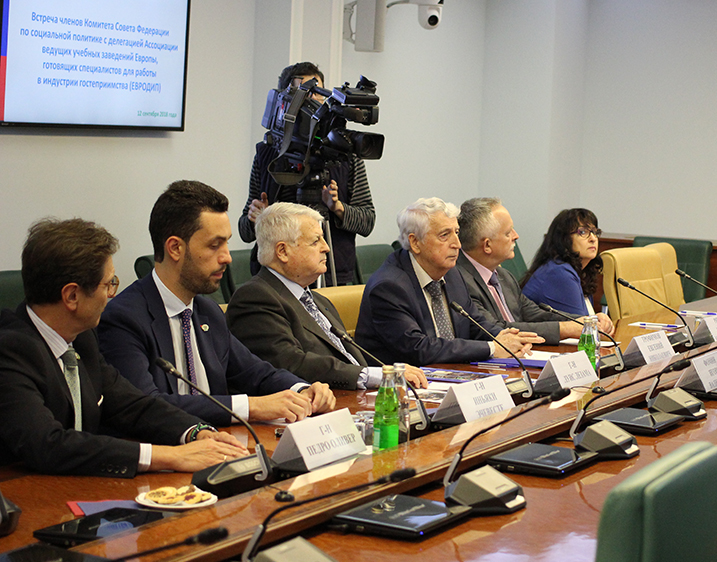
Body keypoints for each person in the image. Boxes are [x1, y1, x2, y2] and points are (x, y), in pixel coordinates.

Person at [0, 218, 248, 477]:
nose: (112, 295)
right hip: (23, 490)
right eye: (108, 284)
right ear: (72, 296)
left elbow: (131, 404)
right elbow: (47, 444)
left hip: (81, 484)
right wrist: (169, 456)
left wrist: (195, 432)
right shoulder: (10, 351)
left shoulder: (82, 339)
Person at [98, 180, 335, 427]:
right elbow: (146, 406)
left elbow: (257, 373)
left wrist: (302, 390)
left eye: (227, 243)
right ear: (175, 248)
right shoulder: (123, 318)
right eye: (214, 245)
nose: (227, 257)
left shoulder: (207, 311)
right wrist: (252, 407)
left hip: (221, 442)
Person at [227, 202, 426, 389]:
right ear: (283, 251)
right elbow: (291, 363)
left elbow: (352, 358)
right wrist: (375, 376)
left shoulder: (319, 301)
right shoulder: (255, 298)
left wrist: (389, 372)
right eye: (316, 241)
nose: (326, 247)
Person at [355, 197, 542, 366]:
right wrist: (492, 348)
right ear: (415, 242)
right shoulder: (389, 287)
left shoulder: (451, 273)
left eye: (456, 233)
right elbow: (418, 348)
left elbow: (474, 322)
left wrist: (506, 339)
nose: (457, 244)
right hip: (400, 385)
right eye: (444, 235)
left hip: (450, 373)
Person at [238, 61, 375, 284]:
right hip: (276, 275)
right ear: (284, 102)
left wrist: (337, 208)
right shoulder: (267, 155)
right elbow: (245, 231)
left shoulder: (345, 155)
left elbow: (367, 221)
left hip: (331, 273)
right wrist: (258, 217)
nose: (311, 101)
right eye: (302, 94)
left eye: (317, 93)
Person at [457, 197, 600, 344]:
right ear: (487, 245)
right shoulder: (459, 281)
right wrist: (565, 329)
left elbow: (534, 314)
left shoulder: (505, 277)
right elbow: (495, 329)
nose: (516, 236)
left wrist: (585, 321)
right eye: (508, 233)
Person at [520, 208, 614, 333]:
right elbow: (582, 330)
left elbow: (585, 323)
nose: (593, 238)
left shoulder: (580, 271)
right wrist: (598, 326)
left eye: (595, 232)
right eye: (583, 232)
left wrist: (598, 318)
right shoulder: (558, 273)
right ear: (564, 239)